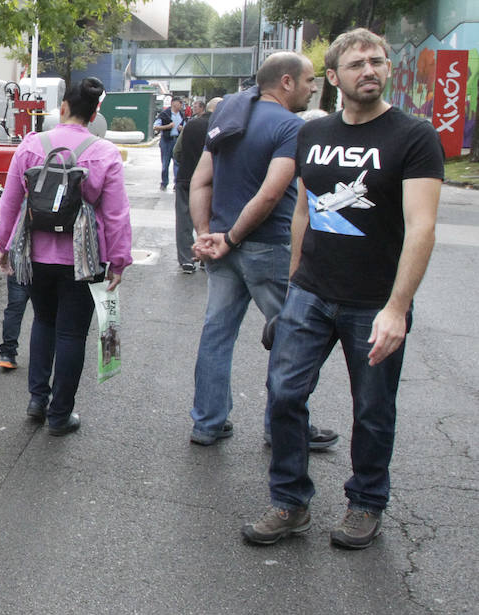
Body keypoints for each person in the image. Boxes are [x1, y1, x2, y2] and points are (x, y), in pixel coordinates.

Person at [243, 29, 443, 549]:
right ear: (333, 77)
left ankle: (366, 502)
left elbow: (421, 227)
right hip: (310, 292)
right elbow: (304, 213)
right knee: (285, 395)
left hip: (375, 300)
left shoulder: (413, 137)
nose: (369, 70)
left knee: (372, 410)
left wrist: (397, 309)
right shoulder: (312, 134)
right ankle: (290, 502)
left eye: (377, 61)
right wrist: (292, 288)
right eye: (356, 64)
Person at [187, 52, 339, 450]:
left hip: (221, 245)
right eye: (309, 80)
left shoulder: (226, 118)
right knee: (292, 337)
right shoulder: (292, 128)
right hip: (266, 247)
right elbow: (272, 193)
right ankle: (283, 429)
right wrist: (232, 238)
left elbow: (200, 181)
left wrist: (207, 234)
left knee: (216, 333)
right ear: (286, 82)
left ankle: (207, 422)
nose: (312, 88)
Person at [0, 77, 132, 434]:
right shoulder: (104, 153)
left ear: (63, 109)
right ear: (94, 112)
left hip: (36, 256)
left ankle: (37, 400)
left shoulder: (30, 147)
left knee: (43, 322)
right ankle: (60, 415)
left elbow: (9, 203)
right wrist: (118, 260)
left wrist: (3, 245)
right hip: (83, 262)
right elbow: (116, 214)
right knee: (71, 335)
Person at [173, 97, 214, 273]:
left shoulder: (191, 125)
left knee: (184, 219)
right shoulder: (224, 128)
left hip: (186, 178)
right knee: (212, 217)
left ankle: (187, 259)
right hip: (213, 181)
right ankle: (207, 257)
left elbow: (177, 152)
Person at [153, 97, 185, 190]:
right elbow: (155, 127)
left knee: (177, 163)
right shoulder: (165, 114)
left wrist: (182, 129)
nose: (181, 105)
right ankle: (164, 182)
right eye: (180, 103)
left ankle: (176, 183)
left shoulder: (181, 115)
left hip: (177, 141)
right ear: (174, 103)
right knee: (165, 163)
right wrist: (168, 126)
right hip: (166, 141)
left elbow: (186, 126)